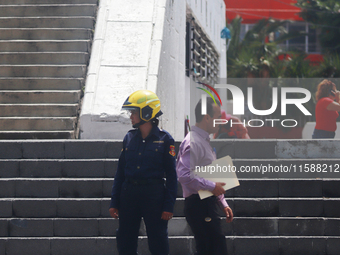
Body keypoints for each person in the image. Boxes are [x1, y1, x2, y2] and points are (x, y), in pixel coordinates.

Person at [109, 90, 177, 255]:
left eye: (134, 112)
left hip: (154, 195)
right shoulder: (129, 138)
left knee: (158, 240)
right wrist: (114, 201)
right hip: (129, 194)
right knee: (125, 240)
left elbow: (172, 176)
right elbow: (120, 173)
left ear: (147, 112)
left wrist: (169, 206)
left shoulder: (165, 139)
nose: (131, 116)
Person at [176, 97, 233, 255]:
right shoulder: (193, 142)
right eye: (218, 117)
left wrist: (223, 202)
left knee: (212, 247)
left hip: (207, 203)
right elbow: (184, 175)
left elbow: (212, 177)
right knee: (213, 247)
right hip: (199, 205)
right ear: (207, 117)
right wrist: (213, 187)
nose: (221, 121)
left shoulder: (203, 141)